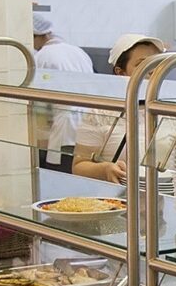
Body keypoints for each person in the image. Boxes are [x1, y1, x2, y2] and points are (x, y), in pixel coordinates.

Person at [72, 34, 168, 183]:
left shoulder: (174, 111)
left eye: (157, 63)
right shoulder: (100, 112)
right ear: (120, 72)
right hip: (119, 195)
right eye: (143, 64)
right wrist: (104, 170)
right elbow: (79, 166)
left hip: (169, 194)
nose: (152, 70)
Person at [32, 13, 94, 173]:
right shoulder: (78, 51)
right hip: (90, 123)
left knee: (64, 172)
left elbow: (41, 102)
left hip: (65, 127)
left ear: (35, 35)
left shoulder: (42, 56)